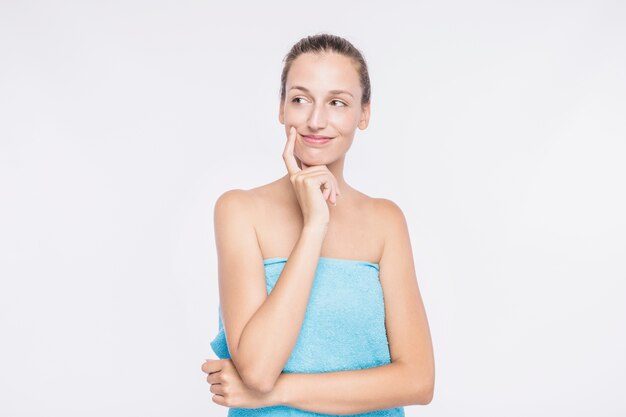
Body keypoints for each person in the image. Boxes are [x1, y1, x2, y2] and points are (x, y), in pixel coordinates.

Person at [201, 33, 435, 416]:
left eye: (337, 103)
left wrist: (278, 391)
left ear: (363, 114)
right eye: (300, 99)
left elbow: (418, 381)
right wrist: (314, 227)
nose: (316, 120)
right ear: (281, 109)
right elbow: (258, 370)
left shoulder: (385, 221)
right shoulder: (240, 210)